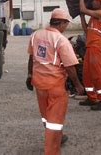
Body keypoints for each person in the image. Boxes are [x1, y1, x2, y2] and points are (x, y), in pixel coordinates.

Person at [26, 8, 84, 155]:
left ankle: (58, 137)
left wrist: (29, 75)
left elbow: (31, 58)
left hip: (39, 84)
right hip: (55, 86)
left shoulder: (36, 35)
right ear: (62, 23)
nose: (66, 27)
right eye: (66, 24)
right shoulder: (61, 40)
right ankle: (52, 150)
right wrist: (77, 85)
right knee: (55, 123)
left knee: (47, 116)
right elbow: (70, 67)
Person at [78, 0, 101, 111]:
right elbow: (87, 31)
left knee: (98, 74)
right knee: (87, 74)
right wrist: (81, 16)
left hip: (96, 47)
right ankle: (92, 98)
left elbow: (83, 9)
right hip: (90, 47)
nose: (93, 1)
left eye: (96, 0)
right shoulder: (93, 17)